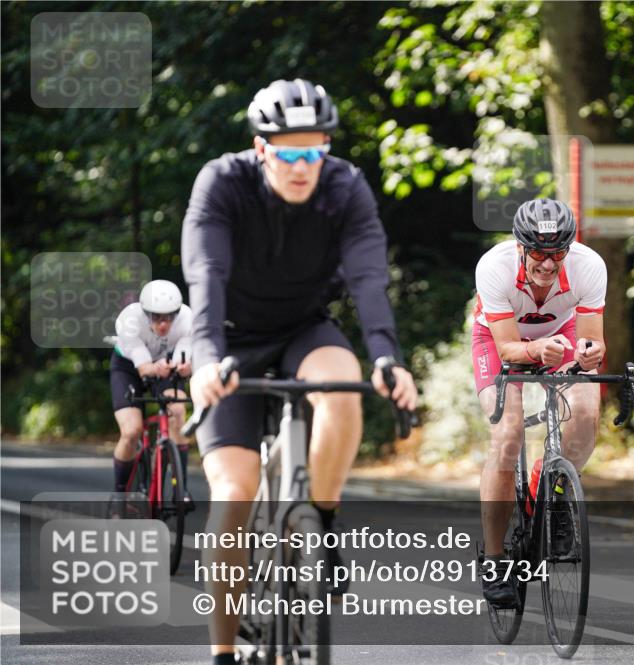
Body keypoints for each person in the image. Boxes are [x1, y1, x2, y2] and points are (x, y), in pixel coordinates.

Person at [181, 78, 418, 665]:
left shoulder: (344, 187)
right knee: (234, 497)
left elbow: (367, 276)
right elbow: (206, 273)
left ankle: (324, 523)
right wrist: (205, 358)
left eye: (314, 151)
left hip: (303, 330)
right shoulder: (222, 182)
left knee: (342, 392)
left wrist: (387, 356)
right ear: (261, 149)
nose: (301, 165)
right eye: (288, 153)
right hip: (230, 338)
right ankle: (222, 651)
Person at [472, 198, 606, 606]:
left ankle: (550, 488)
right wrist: (535, 351)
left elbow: (592, 338)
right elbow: (509, 347)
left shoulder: (589, 265)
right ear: (519, 247)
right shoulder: (493, 268)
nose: (548, 265)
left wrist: (589, 353)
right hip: (499, 341)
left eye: (557, 254)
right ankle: (495, 559)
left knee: (585, 412)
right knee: (507, 436)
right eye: (538, 254)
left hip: (561, 334)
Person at [109, 279, 193, 500]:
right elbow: (144, 368)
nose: (163, 324)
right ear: (145, 313)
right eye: (156, 317)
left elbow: (185, 360)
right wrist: (157, 368)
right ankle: (120, 496)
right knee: (131, 432)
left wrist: (185, 368)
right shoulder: (129, 319)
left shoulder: (188, 319)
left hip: (165, 364)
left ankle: (180, 488)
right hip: (128, 366)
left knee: (177, 411)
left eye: (169, 317)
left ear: (177, 313)